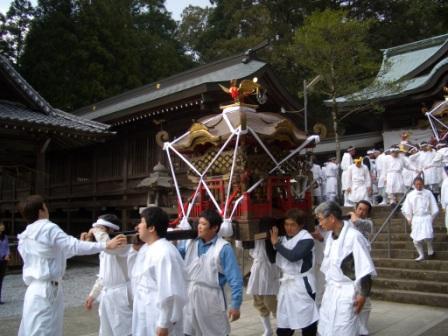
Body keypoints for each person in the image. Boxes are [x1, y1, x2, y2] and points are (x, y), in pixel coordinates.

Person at [17, 194, 126, 336]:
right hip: (48, 289)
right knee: (45, 329)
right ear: (41, 211)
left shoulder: (25, 235)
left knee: (32, 328)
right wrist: (106, 244)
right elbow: (73, 246)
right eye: (45, 206)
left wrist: (85, 244)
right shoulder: (48, 227)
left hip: (33, 289)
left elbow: (58, 254)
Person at [315, 201, 376, 336]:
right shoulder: (330, 237)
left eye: (320, 219)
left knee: (346, 330)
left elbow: (365, 268)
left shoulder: (354, 237)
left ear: (331, 218)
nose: (319, 223)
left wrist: (362, 295)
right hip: (332, 291)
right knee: (326, 329)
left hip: (348, 293)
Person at [182, 209, 243, 336]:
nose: (199, 226)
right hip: (190, 295)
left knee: (216, 332)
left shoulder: (223, 248)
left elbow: (235, 279)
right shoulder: (189, 243)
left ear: (214, 227)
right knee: (189, 331)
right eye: (199, 223)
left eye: (203, 224)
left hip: (211, 299)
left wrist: (235, 304)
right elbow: (175, 257)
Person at [132, 206, 187, 336]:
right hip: (143, 306)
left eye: (142, 222)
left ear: (152, 228)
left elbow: (170, 290)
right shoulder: (145, 248)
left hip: (157, 311)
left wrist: (163, 322)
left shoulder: (165, 252)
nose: (138, 226)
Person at [270, 208, 319, 336]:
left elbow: (293, 256)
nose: (289, 228)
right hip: (287, 285)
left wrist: (277, 245)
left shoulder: (306, 238)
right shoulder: (283, 238)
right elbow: (274, 258)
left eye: (293, 225)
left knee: (307, 321)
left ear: (301, 225)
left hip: (302, 284)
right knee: (284, 321)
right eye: (286, 224)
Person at [82, 214, 133, 336]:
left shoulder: (122, 243)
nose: (98, 232)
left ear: (110, 230)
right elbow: (102, 276)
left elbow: (111, 248)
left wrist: (95, 230)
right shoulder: (104, 248)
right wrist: (93, 295)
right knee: (106, 331)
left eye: (102, 229)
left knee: (124, 331)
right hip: (106, 294)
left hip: (120, 294)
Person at [247, 217, 280, 336]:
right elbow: (243, 245)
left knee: (271, 302)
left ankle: (283, 327)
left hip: (269, 268)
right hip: (256, 268)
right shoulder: (251, 233)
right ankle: (268, 329)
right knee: (258, 302)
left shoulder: (273, 231)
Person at [348, 200, 374, 336]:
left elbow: (358, 222)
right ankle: (354, 325)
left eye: (364, 210)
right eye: (359, 209)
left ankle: (363, 327)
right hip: (349, 264)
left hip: (363, 263)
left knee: (365, 296)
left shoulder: (368, 223)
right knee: (351, 296)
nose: (361, 212)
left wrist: (352, 215)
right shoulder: (348, 223)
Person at [401, 177, 439, 261]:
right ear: (414, 185)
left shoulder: (428, 193)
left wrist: (432, 217)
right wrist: (409, 218)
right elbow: (406, 208)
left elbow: (433, 205)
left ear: (423, 184)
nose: (419, 186)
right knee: (416, 240)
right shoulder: (410, 195)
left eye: (420, 184)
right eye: (417, 184)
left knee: (428, 235)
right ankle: (421, 254)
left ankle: (430, 248)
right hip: (416, 218)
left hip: (426, 217)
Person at [0, 222, 10, 304]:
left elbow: (7, 247)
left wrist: (7, 254)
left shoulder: (5, 237)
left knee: (1, 279)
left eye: (2, 225)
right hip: (1, 258)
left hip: (4, 260)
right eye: (0, 225)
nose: (2, 227)